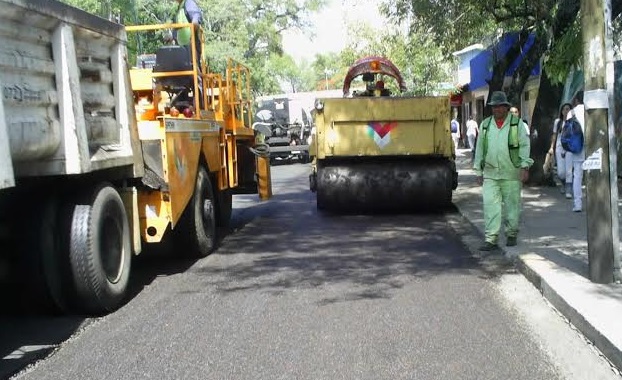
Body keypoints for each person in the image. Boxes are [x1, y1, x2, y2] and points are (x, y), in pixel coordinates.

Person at [473, 91, 533, 250]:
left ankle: (511, 234)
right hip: (491, 174)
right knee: (490, 207)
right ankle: (491, 239)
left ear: (506, 108)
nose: (497, 109)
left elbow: (525, 145)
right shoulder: (485, 125)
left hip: (511, 173)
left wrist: (525, 166)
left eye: (500, 106)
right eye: (494, 107)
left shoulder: (517, 124)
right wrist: (478, 170)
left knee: (512, 206)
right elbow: (479, 148)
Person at [548, 103, 573, 196]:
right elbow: (554, 135)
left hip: (570, 147)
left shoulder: (573, 121)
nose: (566, 111)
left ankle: (569, 189)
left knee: (569, 170)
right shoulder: (558, 122)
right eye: (564, 109)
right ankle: (563, 183)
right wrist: (551, 147)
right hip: (559, 147)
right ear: (561, 111)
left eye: (568, 109)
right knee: (561, 172)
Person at [567, 91, 585, 212]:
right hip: (592, 146)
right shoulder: (590, 109)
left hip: (577, 146)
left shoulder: (571, 113)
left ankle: (578, 204)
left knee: (577, 176)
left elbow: (567, 132)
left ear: (576, 100)